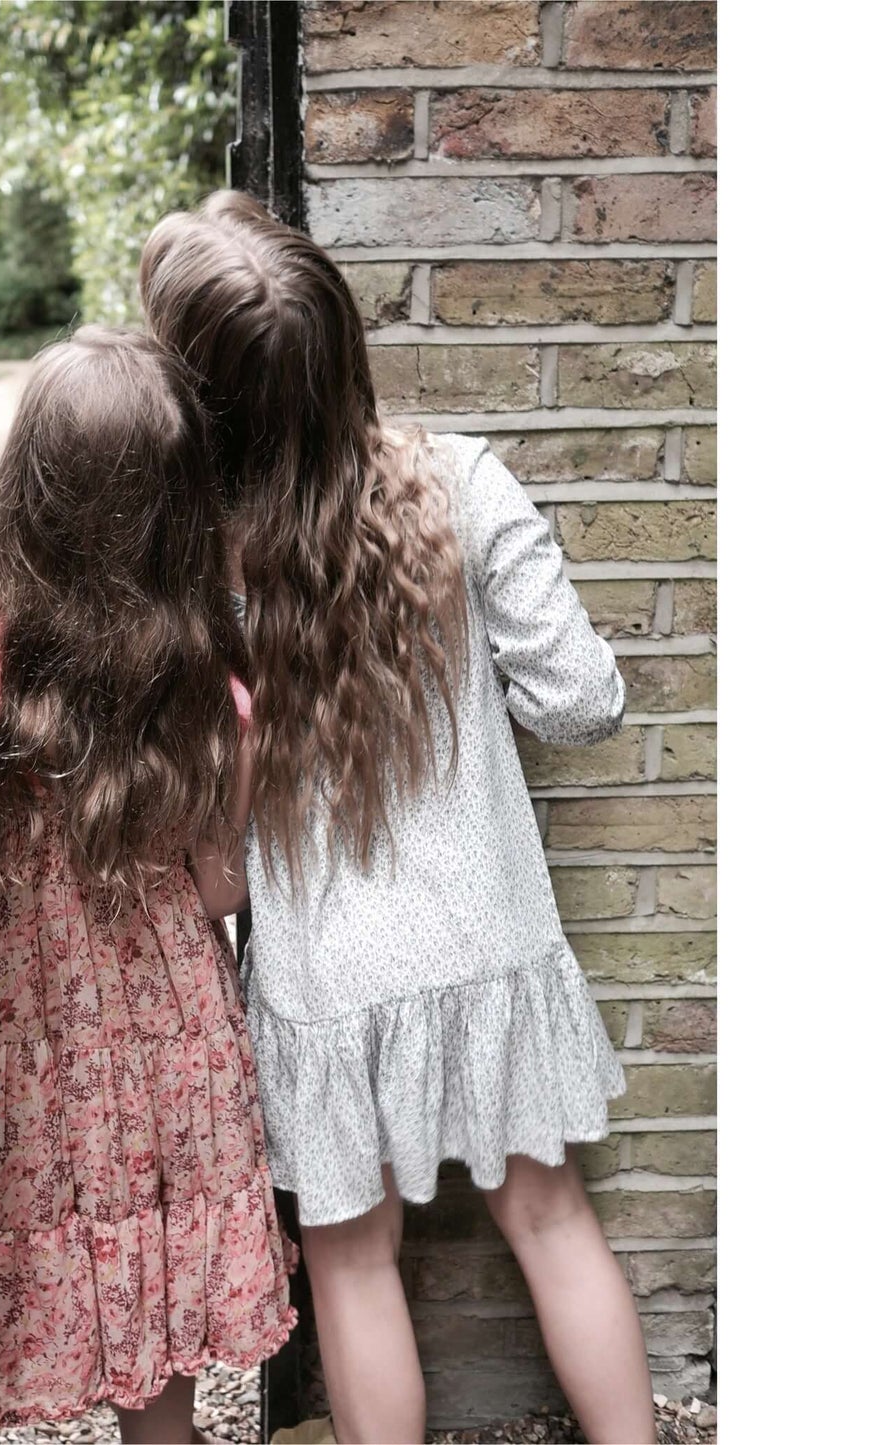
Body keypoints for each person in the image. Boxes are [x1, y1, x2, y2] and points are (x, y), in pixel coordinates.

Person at [139, 193, 656, 1445]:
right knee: (549, 1217)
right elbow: (583, 702)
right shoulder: (461, 481)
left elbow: (189, 787)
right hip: (488, 942)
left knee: (353, 1262)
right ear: (342, 345)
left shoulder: (194, 556)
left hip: (326, 982)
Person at [0, 326, 295, 1443]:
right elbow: (218, 887)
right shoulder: (213, 672)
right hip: (176, 1053)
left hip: (43, 1054)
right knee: (154, 1338)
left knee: (81, 1261)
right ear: (178, 506)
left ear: (28, 488)